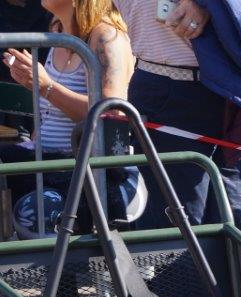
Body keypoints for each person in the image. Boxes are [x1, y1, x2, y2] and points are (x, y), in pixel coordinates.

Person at [113, 0, 241, 234]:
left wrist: (211, 5)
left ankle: (235, 269)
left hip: (230, 85)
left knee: (232, 220)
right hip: (174, 85)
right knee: (181, 222)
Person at [0, 0, 139, 225]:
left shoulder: (106, 37)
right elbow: (51, 112)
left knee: (35, 211)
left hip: (87, 172)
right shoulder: (59, 32)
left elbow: (111, 112)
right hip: (47, 158)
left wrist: (46, 87)